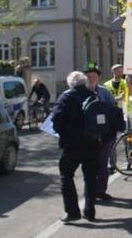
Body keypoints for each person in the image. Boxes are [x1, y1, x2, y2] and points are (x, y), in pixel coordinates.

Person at [51, 71, 100, 223]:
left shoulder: (66, 97)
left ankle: (72, 212)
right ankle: (90, 211)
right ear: (84, 82)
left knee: (66, 175)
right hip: (92, 143)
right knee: (91, 178)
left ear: (70, 84)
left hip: (72, 144)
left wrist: (64, 133)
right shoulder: (93, 96)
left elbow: (56, 120)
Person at [84, 61, 121, 200]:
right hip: (87, 137)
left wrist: (113, 129)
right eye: (88, 76)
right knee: (89, 166)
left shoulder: (104, 92)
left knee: (103, 165)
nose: (91, 78)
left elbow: (114, 110)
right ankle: (90, 192)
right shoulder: (82, 92)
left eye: (94, 76)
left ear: (98, 78)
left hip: (104, 136)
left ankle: (101, 191)